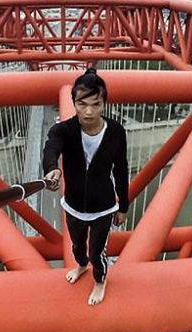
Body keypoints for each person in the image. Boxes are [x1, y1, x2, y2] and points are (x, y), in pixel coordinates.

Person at [42, 68, 129, 306]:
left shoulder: (116, 133)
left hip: (104, 207)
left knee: (96, 251)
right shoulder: (64, 131)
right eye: (82, 104)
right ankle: (81, 266)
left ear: (104, 104)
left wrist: (124, 206)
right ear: (74, 103)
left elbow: (121, 169)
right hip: (73, 206)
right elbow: (51, 148)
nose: (88, 111)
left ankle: (100, 280)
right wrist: (52, 168)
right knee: (77, 247)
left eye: (95, 104)